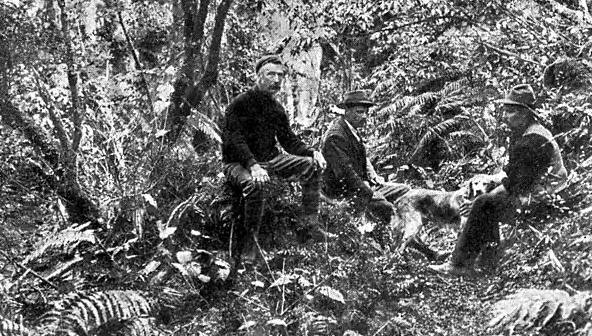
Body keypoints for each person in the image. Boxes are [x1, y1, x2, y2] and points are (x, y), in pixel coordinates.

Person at [450, 83, 568, 273]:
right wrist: (488, 180)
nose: (505, 116)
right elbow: (511, 173)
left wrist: (476, 203)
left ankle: (459, 264)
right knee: (486, 198)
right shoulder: (527, 133)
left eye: (511, 112)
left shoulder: (533, 141)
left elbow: (514, 186)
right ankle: (488, 260)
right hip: (538, 192)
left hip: (548, 199)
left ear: (525, 113)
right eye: (505, 111)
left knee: (483, 204)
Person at [222, 55, 327, 265]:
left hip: (270, 161)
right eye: (271, 74)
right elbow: (234, 140)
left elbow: (289, 140)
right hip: (238, 163)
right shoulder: (240, 104)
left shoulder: (276, 108)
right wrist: (252, 165)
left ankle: (310, 223)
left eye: (280, 75)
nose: (277, 80)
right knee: (253, 186)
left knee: (310, 165)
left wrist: (312, 152)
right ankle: (249, 249)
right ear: (258, 76)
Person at [322, 90, 450, 262]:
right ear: (347, 111)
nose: (365, 116)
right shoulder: (336, 136)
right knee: (388, 209)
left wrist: (372, 175)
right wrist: (370, 191)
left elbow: (361, 158)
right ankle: (424, 252)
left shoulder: (350, 129)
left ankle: (408, 240)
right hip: (346, 191)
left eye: (366, 112)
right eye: (360, 112)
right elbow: (346, 175)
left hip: (362, 184)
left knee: (405, 192)